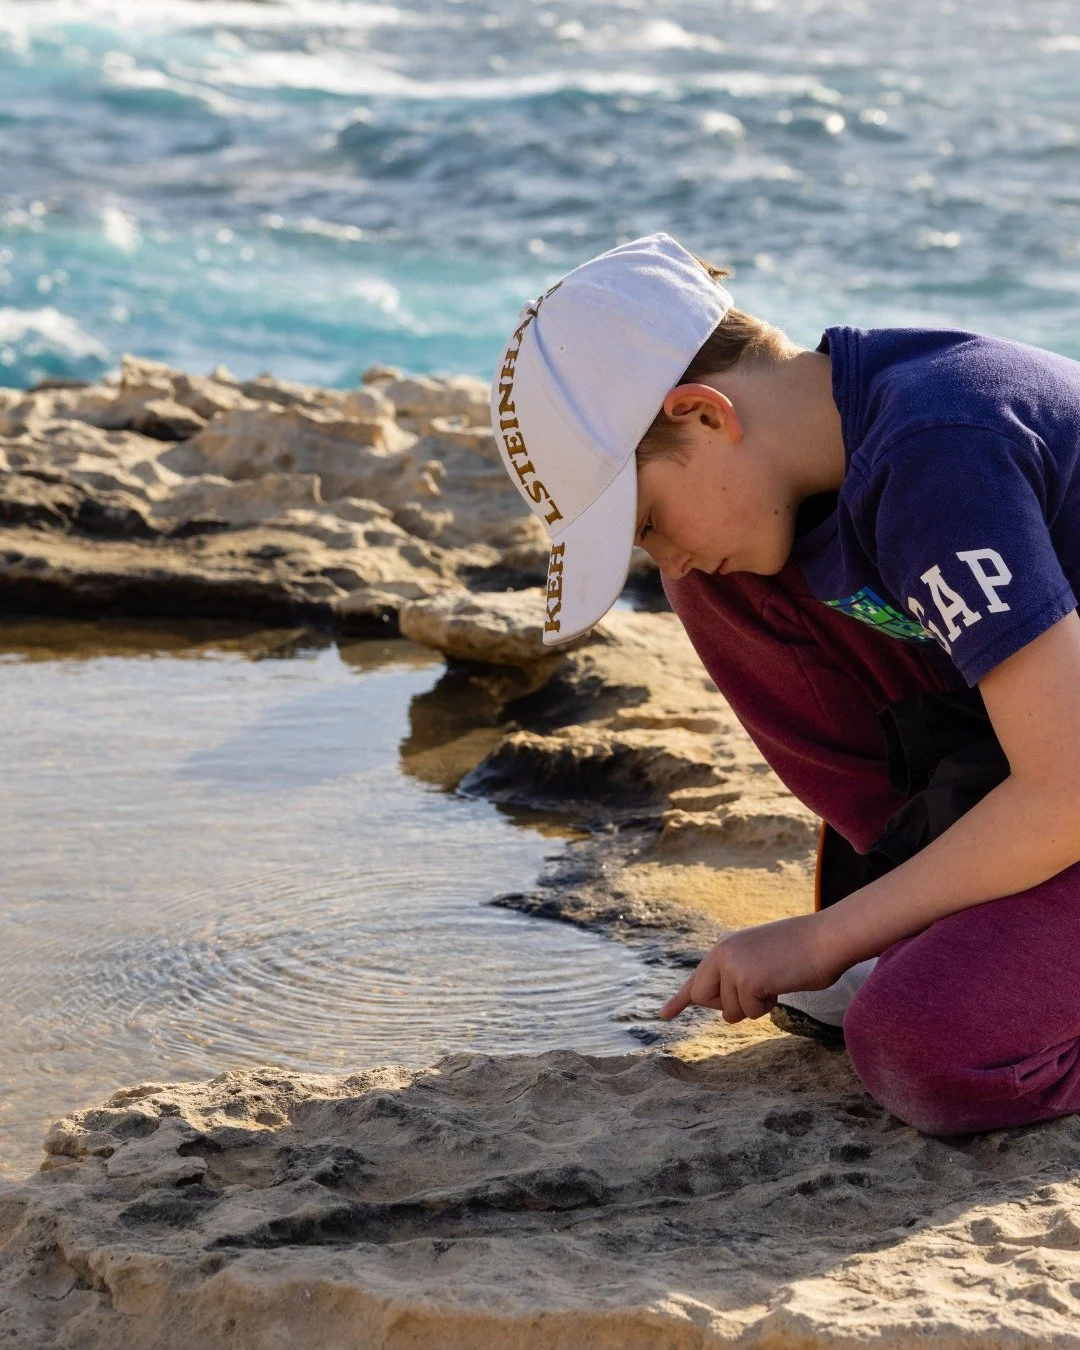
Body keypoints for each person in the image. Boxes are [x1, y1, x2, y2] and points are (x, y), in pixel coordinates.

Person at [489, 232, 1080, 1137]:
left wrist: (825, 937)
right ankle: (938, 911)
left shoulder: (936, 451)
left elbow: (1067, 790)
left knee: (925, 1044)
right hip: (1048, 749)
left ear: (703, 413)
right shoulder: (840, 433)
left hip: (1065, 782)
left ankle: (950, 937)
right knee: (718, 581)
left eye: (647, 522)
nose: (664, 557)